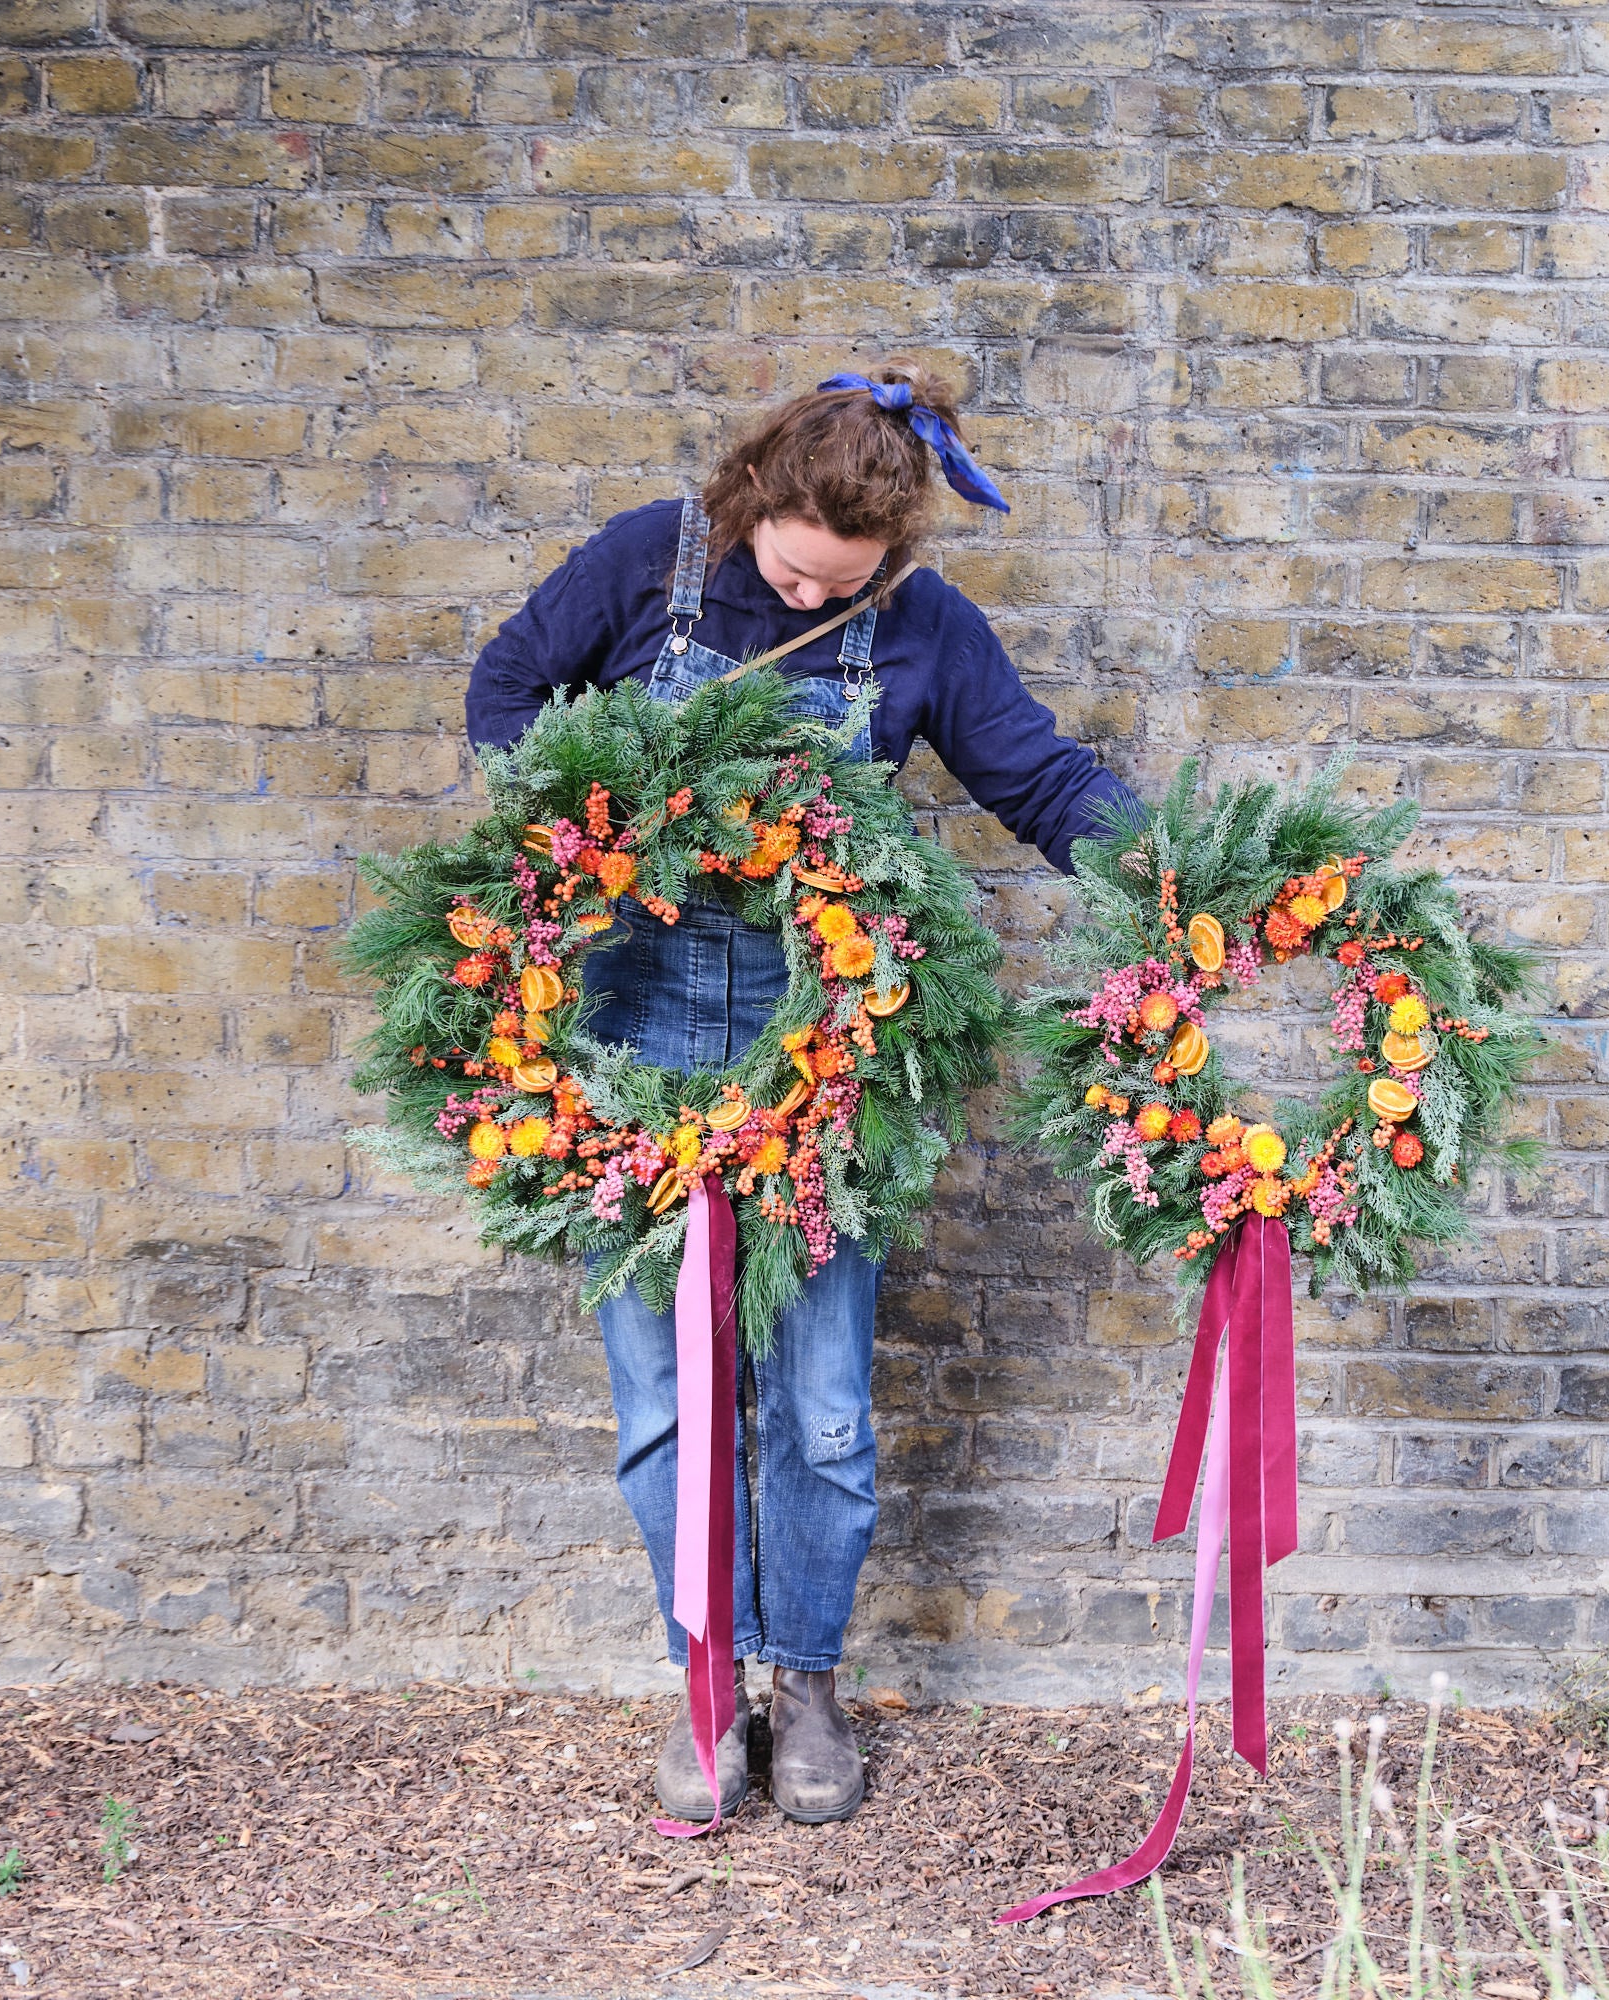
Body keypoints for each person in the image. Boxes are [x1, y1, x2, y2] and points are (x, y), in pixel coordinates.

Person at [464, 362, 1134, 1825]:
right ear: (754, 497)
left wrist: (1178, 872)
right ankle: (706, 1687)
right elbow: (506, 689)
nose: (807, 589)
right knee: (665, 1403)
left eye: (844, 576)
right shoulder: (649, 560)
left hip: (830, 1051)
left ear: (892, 557)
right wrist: (590, 827)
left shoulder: (923, 625)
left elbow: (1041, 781)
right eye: (787, 566)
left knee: (823, 1405)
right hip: (627, 1037)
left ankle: (807, 1684)